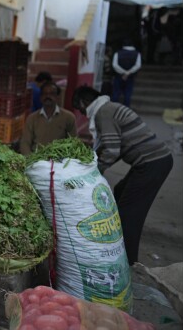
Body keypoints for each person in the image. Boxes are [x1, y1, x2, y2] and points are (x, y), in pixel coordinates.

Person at [72, 86, 173, 266]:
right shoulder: (109, 107)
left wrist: (94, 172)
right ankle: (117, 245)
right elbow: (117, 146)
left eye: (80, 108)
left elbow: (112, 150)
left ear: (85, 102)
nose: (83, 113)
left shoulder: (104, 113)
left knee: (130, 214)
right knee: (119, 191)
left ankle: (128, 262)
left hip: (152, 163)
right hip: (152, 160)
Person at [20, 81, 76, 155]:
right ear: (40, 97)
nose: (48, 96)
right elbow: (25, 143)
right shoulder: (32, 118)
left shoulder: (69, 117)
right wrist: (30, 160)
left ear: (57, 97)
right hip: (36, 159)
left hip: (59, 160)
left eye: (52, 94)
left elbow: (73, 142)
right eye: (45, 94)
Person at [111, 39, 141, 107]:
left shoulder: (117, 53)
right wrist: (128, 73)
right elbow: (138, 65)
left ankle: (113, 109)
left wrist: (123, 72)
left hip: (119, 76)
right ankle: (126, 111)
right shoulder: (137, 53)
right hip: (130, 77)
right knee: (128, 94)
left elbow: (115, 65)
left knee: (116, 93)